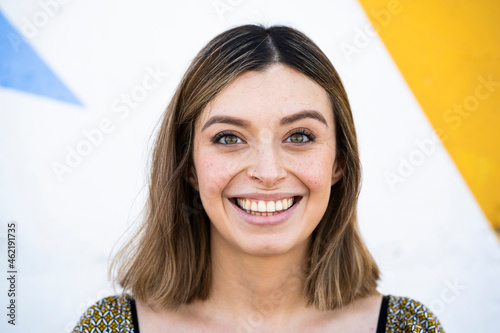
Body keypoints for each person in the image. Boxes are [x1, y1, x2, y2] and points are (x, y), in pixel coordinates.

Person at [72, 24, 445, 332]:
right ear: (189, 166)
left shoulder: (407, 327)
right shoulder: (112, 327)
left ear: (339, 163)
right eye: (228, 138)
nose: (267, 173)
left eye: (299, 136)